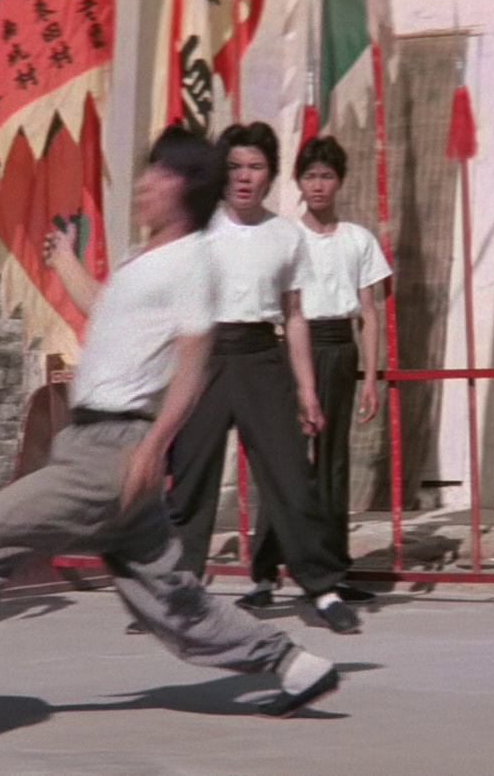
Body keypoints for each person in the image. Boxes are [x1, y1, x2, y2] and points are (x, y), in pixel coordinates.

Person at [0, 128, 342, 729]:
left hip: (109, 455)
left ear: (187, 189)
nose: (143, 184)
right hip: (101, 447)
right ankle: (294, 664)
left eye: (160, 174)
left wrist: (154, 445)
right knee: (170, 600)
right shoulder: (143, 260)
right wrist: (65, 259)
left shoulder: (192, 259)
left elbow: (194, 358)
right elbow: (105, 311)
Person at [155, 123, 361, 635]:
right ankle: (178, 592)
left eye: (255, 167)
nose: (244, 177)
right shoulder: (196, 229)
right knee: (192, 478)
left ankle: (322, 587)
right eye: (235, 167)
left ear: (270, 175)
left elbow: (295, 316)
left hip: (262, 358)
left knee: (291, 475)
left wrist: (307, 390)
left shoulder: (286, 235)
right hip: (204, 356)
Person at [286, 134, 391, 606]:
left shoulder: (357, 239)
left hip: (339, 346)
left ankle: (333, 569)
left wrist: (369, 377)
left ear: (340, 182)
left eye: (326, 176)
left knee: (334, 461)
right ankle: (278, 568)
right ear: (298, 182)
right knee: (289, 459)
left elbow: (368, 312)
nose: (318, 185)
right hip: (298, 344)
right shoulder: (287, 238)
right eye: (310, 176)